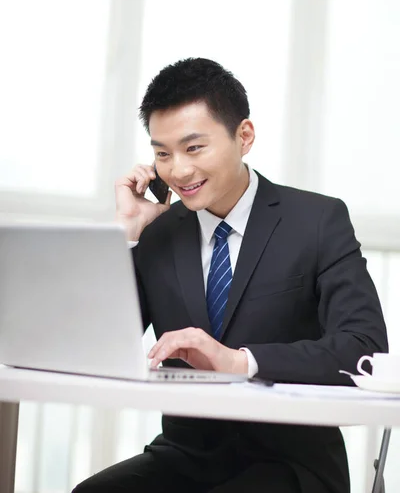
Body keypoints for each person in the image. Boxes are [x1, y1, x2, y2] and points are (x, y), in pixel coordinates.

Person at [73, 58, 388, 493]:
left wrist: (239, 362)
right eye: (162, 153)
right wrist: (128, 232)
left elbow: (365, 348)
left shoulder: (316, 221)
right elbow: (95, 348)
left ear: (244, 136)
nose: (178, 170)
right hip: (185, 456)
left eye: (194, 148)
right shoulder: (158, 232)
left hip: (291, 462)